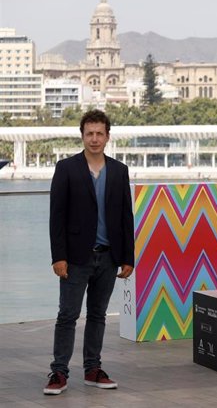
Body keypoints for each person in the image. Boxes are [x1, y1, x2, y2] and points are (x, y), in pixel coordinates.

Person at [44, 110, 134, 395]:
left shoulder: (119, 171)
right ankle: (59, 372)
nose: (94, 139)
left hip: (108, 258)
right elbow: (56, 216)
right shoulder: (66, 168)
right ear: (82, 136)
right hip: (74, 258)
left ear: (107, 136)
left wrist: (127, 258)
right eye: (89, 133)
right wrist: (58, 256)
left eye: (99, 133)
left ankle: (93, 369)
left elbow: (125, 217)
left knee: (98, 315)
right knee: (67, 315)